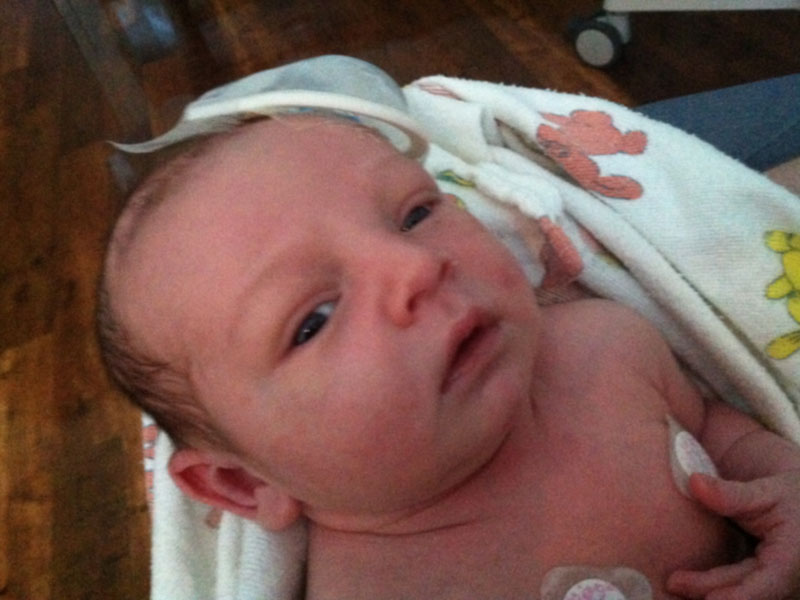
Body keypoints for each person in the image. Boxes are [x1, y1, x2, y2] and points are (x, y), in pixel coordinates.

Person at [97, 111, 800, 600]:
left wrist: (782, 484)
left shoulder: (606, 345)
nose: (416, 267)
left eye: (415, 214)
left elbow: (716, 427)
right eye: (314, 320)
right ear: (242, 485)